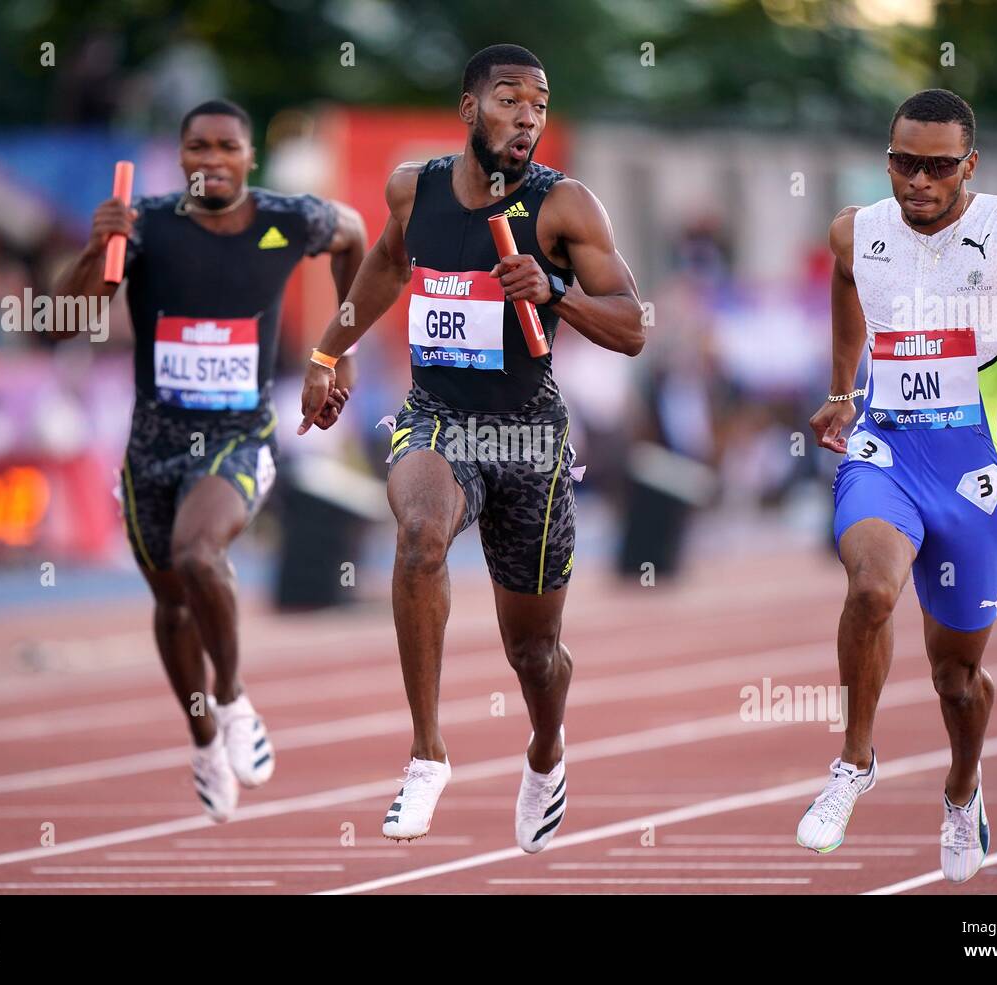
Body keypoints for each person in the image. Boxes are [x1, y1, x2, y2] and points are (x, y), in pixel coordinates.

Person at [298, 44, 644, 852]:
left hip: (528, 433)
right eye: (509, 100)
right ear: (468, 110)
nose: (527, 117)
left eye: (540, 103)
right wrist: (324, 354)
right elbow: (384, 268)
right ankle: (427, 752)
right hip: (437, 417)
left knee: (534, 650)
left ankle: (547, 749)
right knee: (420, 538)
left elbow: (632, 323)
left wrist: (554, 292)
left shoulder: (565, 208)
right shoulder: (412, 191)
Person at [803, 89, 997, 882]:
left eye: (937, 166)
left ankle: (963, 788)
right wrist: (842, 386)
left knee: (956, 678)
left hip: (970, 473)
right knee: (870, 586)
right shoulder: (855, 230)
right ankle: (854, 761)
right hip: (886, 454)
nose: (917, 181)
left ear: (969, 165)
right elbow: (843, 279)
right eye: (903, 161)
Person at [54, 98, 366, 821]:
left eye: (228, 147)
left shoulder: (290, 218)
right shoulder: (148, 224)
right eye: (199, 147)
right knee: (171, 603)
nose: (213, 161)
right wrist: (96, 247)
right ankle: (202, 740)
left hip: (240, 434)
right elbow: (71, 316)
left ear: (248, 157)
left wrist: (339, 346)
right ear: (182, 154)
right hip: (153, 444)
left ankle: (231, 699)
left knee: (199, 556)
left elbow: (355, 237)